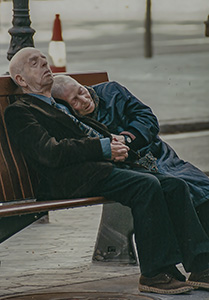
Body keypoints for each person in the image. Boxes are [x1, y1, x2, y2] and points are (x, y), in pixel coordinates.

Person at [4, 47, 209, 296]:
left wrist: (113, 142)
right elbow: (50, 152)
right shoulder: (21, 111)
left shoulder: (60, 106)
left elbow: (92, 132)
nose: (44, 65)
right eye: (34, 64)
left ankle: (202, 266)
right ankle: (156, 273)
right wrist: (102, 147)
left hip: (97, 169)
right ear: (21, 80)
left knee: (174, 185)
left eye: (44, 61)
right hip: (68, 178)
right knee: (146, 186)